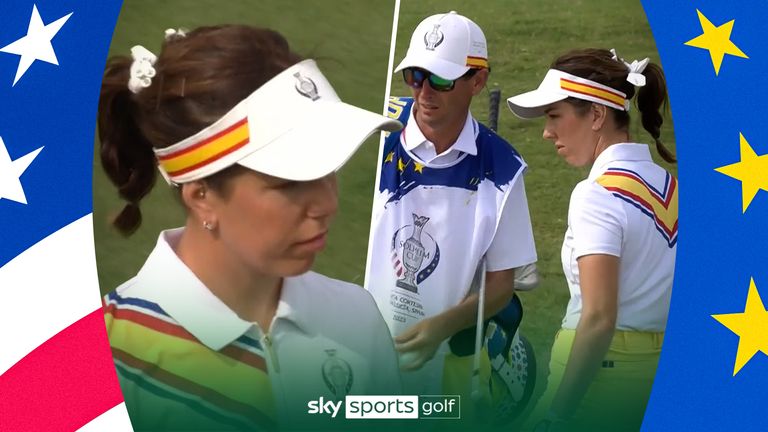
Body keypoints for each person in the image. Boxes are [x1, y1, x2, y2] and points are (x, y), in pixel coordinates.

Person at [98, 25, 402, 431]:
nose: (328, 204)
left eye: (329, 170)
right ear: (200, 194)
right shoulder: (107, 356)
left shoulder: (358, 317)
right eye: (290, 182)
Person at [365, 11, 538, 414]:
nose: (425, 92)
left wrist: (441, 327)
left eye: (442, 80)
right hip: (360, 348)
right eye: (416, 76)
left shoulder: (504, 168)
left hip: (447, 369)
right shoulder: (376, 133)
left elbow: (500, 286)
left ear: (478, 81)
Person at [507, 48, 677, 431]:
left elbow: (599, 318)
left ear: (597, 115)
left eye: (554, 116)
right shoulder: (674, 189)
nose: (546, 132)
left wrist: (558, 414)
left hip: (593, 383)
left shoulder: (595, 195)